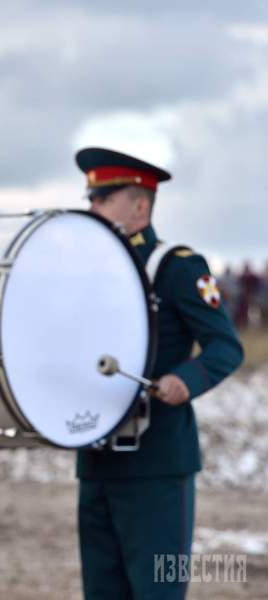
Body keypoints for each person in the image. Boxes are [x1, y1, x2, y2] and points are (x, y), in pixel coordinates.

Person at [75, 147, 244, 599]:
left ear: (140, 206)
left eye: (103, 198)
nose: (92, 207)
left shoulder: (176, 267)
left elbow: (225, 346)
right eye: (91, 198)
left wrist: (184, 381)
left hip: (156, 465)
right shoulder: (84, 273)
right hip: (96, 462)